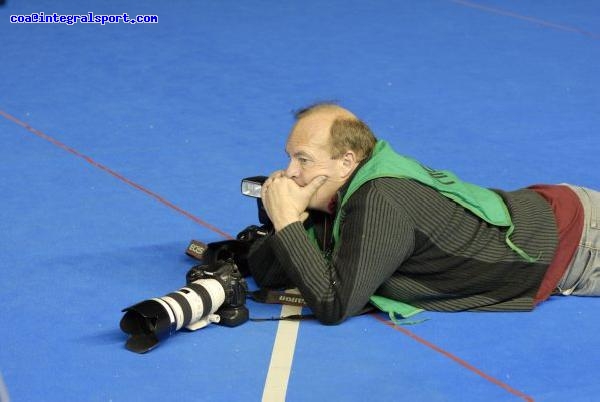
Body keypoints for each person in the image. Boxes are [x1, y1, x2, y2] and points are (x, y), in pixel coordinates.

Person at [246, 102, 599, 324]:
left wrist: (288, 220)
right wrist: (288, 220)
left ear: (347, 161)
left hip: (582, 241)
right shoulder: (342, 193)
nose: (289, 172)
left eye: (302, 159)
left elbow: (334, 304)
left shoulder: (380, 199)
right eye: (290, 157)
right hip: (555, 217)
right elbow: (269, 272)